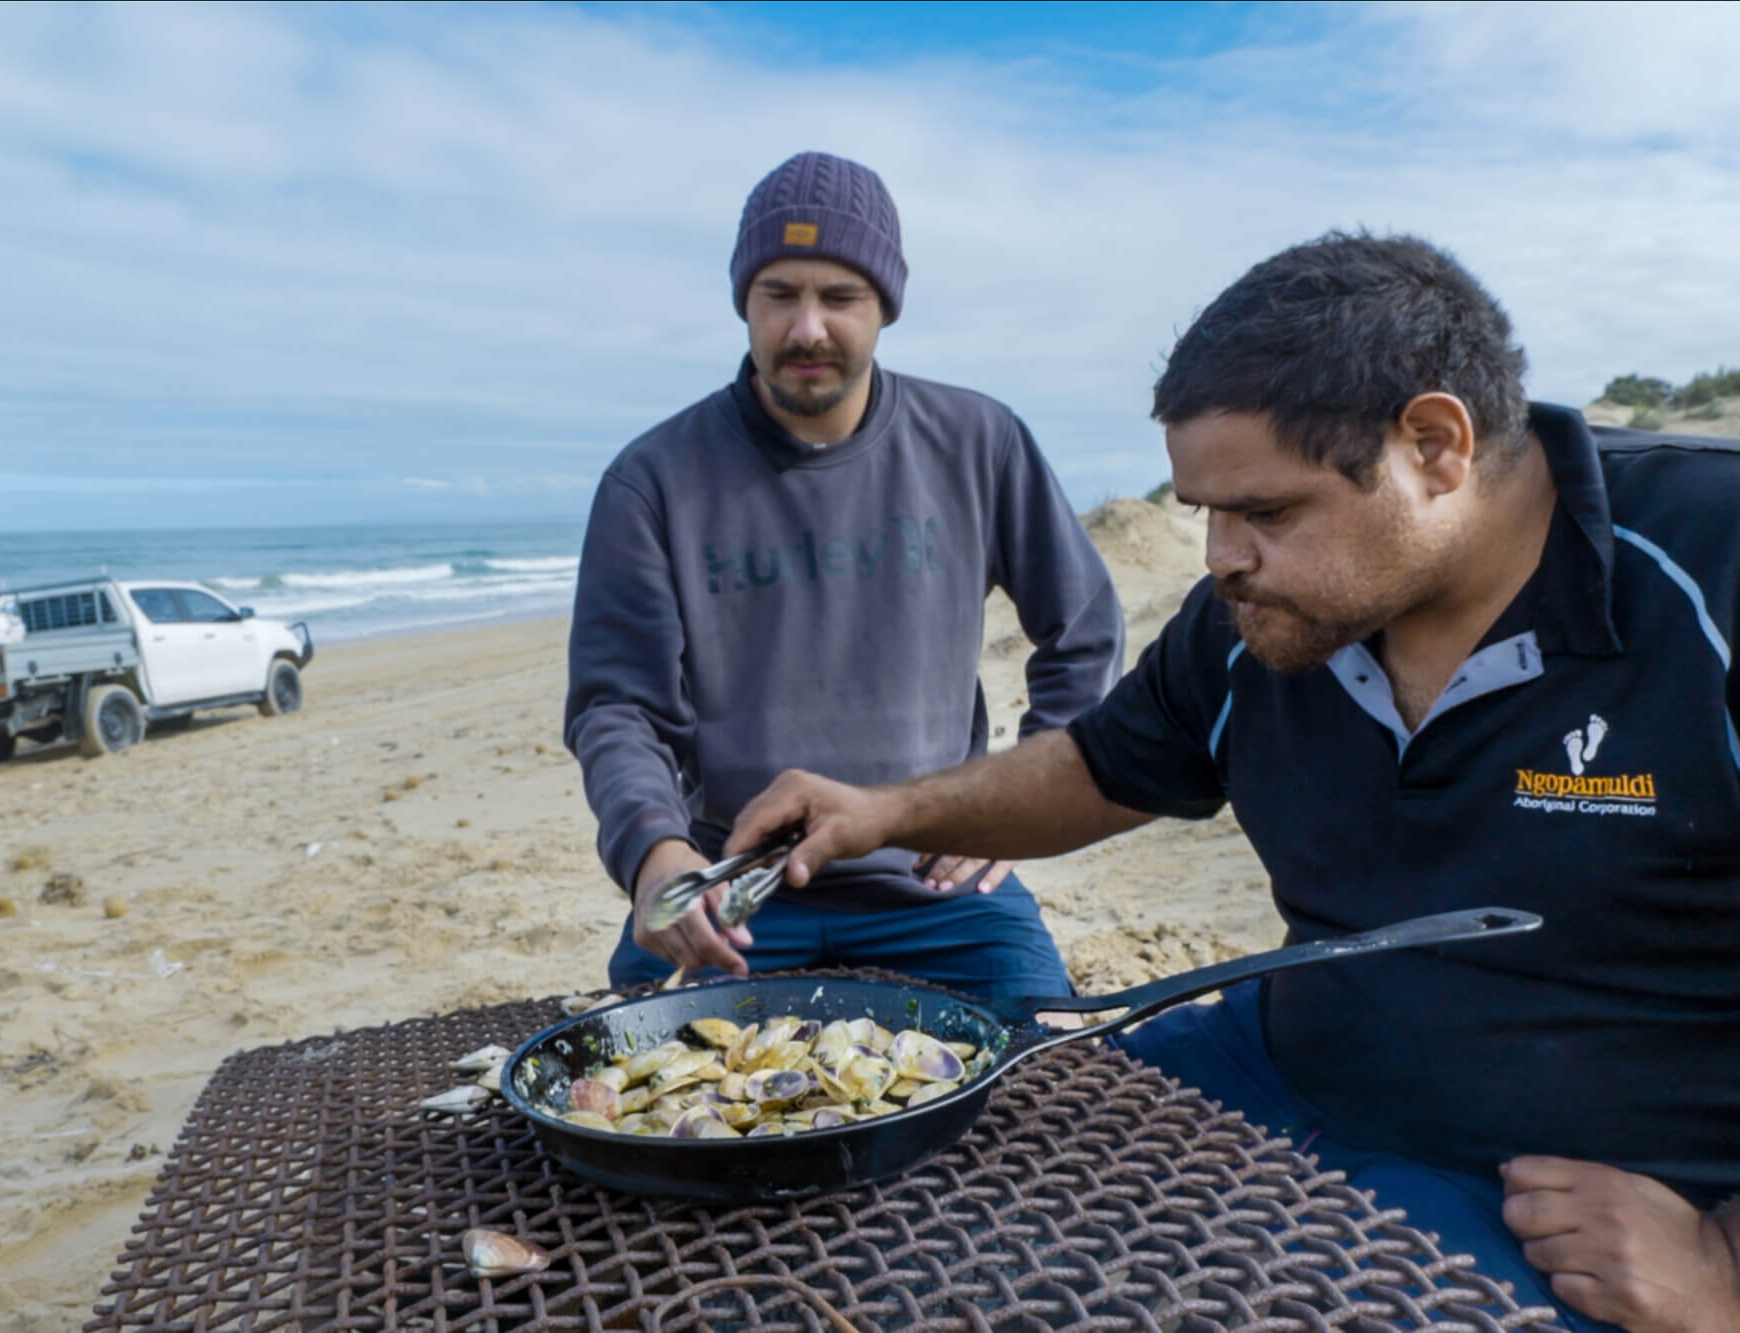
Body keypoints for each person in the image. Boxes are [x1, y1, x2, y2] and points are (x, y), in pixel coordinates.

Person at [725, 232, 1740, 1333]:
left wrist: (1722, 1267)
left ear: (1434, 447)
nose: (1219, 558)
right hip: (1281, 1059)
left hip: (1578, 1188)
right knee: (927, 1160)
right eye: (1201, 511)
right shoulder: (1261, 613)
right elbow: (1104, 765)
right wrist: (883, 810)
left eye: (1264, 512)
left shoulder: (1705, 569)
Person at [563, 150, 1124, 1001]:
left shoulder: (980, 443)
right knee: (647, 1099)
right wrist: (656, 851)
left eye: (840, 297)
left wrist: (1019, 804)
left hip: (936, 891)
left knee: (1046, 1071)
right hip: (735, 897)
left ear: (886, 306)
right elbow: (618, 705)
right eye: (779, 294)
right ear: (744, 302)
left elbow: (1083, 627)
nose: (807, 329)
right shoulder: (652, 481)